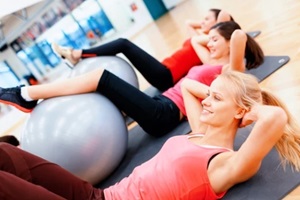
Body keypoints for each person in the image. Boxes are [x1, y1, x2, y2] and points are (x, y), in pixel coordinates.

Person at [0, 71, 299, 199]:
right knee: (5, 154)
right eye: (210, 95)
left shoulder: (227, 165)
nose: (206, 100)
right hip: (101, 196)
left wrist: (248, 110)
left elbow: (276, 116)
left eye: (216, 99)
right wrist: (220, 97)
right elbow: (187, 88)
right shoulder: (199, 133)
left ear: (240, 112)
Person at [0, 21, 264, 136]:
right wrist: (217, 37)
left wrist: (228, 37)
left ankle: (26, 94)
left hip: (165, 114)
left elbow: (239, 36)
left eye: (216, 40)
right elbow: (206, 39)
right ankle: (25, 94)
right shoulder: (211, 63)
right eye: (211, 39)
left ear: (231, 44)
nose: (210, 43)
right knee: (102, 86)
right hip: (161, 103)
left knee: (101, 78)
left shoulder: (231, 71)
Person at [52, 9, 234, 91]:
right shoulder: (200, 38)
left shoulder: (207, 42)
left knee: (123, 43)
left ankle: (77, 54)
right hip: (163, 70)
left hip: (166, 76)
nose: (201, 22)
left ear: (218, 24)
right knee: (123, 44)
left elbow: (222, 20)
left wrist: (217, 27)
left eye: (206, 19)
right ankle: (78, 54)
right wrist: (207, 24)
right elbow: (188, 23)